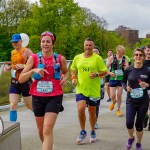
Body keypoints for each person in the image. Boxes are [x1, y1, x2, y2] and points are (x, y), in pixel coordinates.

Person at [18, 31, 68, 150]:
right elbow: (21, 79)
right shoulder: (33, 58)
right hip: (37, 97)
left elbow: (66, 72)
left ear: (52, 44)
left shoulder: (60, 58)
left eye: (48, 41)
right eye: (43, 41)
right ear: (40, 43)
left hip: (54, 96)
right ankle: (49, 146)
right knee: (41, 131)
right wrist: (32, 71)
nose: (45, 44)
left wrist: (64, 78)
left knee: (47, 129)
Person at [70, 38, 107, 144]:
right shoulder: (78, 57)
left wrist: (96, 74)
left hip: (94, 90)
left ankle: (92, 131)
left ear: (93, 46)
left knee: (92, 112)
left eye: (90, 45)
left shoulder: (97, 58)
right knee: (80, 109)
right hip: (81, 88)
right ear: (83, 46)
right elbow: (73, 68)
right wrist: (73, 77)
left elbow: (104, 71)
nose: (88, 47)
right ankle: (82, 131)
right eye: (86, 45)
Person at [122, 48, 150, 150]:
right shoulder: (128, 69)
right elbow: (123, 82)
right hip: (131, 101)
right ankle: (131, 138)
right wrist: (126, 88)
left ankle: (138, 143)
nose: (138, 57)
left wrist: (146, 84)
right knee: (129, 123)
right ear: (133, 57)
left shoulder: (147, 70)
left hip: (143, 101)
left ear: (143, 57)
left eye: (140, 55)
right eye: (136, 55)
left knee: (139, 125)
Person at [4, 33, 33, 122]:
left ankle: (41, 118)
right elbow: (14, 65)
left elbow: (36, 64)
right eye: (13, 42)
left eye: (16, 41)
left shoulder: (27, 51)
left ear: (21, 41)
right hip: (14, 82)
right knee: (12, 105)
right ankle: (12, 127)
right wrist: (9, 68)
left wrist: (24, 66)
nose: (15, 43)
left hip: (25, 81)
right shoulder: (12, 52)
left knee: (29, 106)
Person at [107, 45, 129, 117]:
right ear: (119, 51)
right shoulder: (112, 58)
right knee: (112, 95)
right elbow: (104, 68)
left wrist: (126, 67)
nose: (124, 51)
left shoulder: (125, 58)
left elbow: (127, 69)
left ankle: (118, 110)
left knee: (119, 95)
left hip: (121, 79)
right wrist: (110, 73)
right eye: (123, 50)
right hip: (113, 78)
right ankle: (113, 102)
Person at [93, 46, 105, 129]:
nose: (95, 52)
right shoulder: (86, 60)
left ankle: (95, 121)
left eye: (96, 51)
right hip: (88, 86)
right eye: (93, 51)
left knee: (96, 105)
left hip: (98, 85)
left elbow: (104, 72)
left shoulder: (100, 61)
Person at [143, 44, 150, 131]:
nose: (149, 52)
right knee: (145, 106)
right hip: (144, 88)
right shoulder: (141, 62)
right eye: (147, 50)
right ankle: (146, 116)